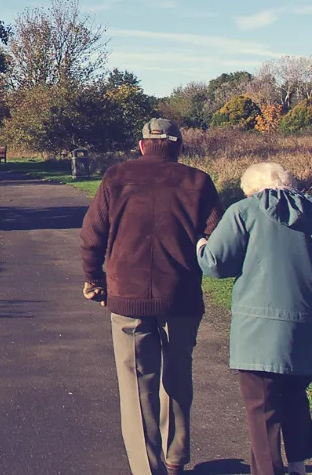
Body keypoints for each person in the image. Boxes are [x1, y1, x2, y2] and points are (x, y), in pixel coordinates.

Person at [197, 162, 312, 475]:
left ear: (252, 189)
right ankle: (298, 465)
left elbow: (216, 264)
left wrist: (201, 244)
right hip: (307, 328)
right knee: (295, 396)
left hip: (256, 332)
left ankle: (268, 471)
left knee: (262, 408)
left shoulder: (243, 212)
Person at [80, 118, 224, 475]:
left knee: (136, 387)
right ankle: (175, 458)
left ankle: (148, 469)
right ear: (178, 147)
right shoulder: (198, 181)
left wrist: (94, 280)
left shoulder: (116, 177)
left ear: (142, 145)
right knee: (178, 376)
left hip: (127, 296)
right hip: (182, 297)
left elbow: (91, 236)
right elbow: (216, 239)